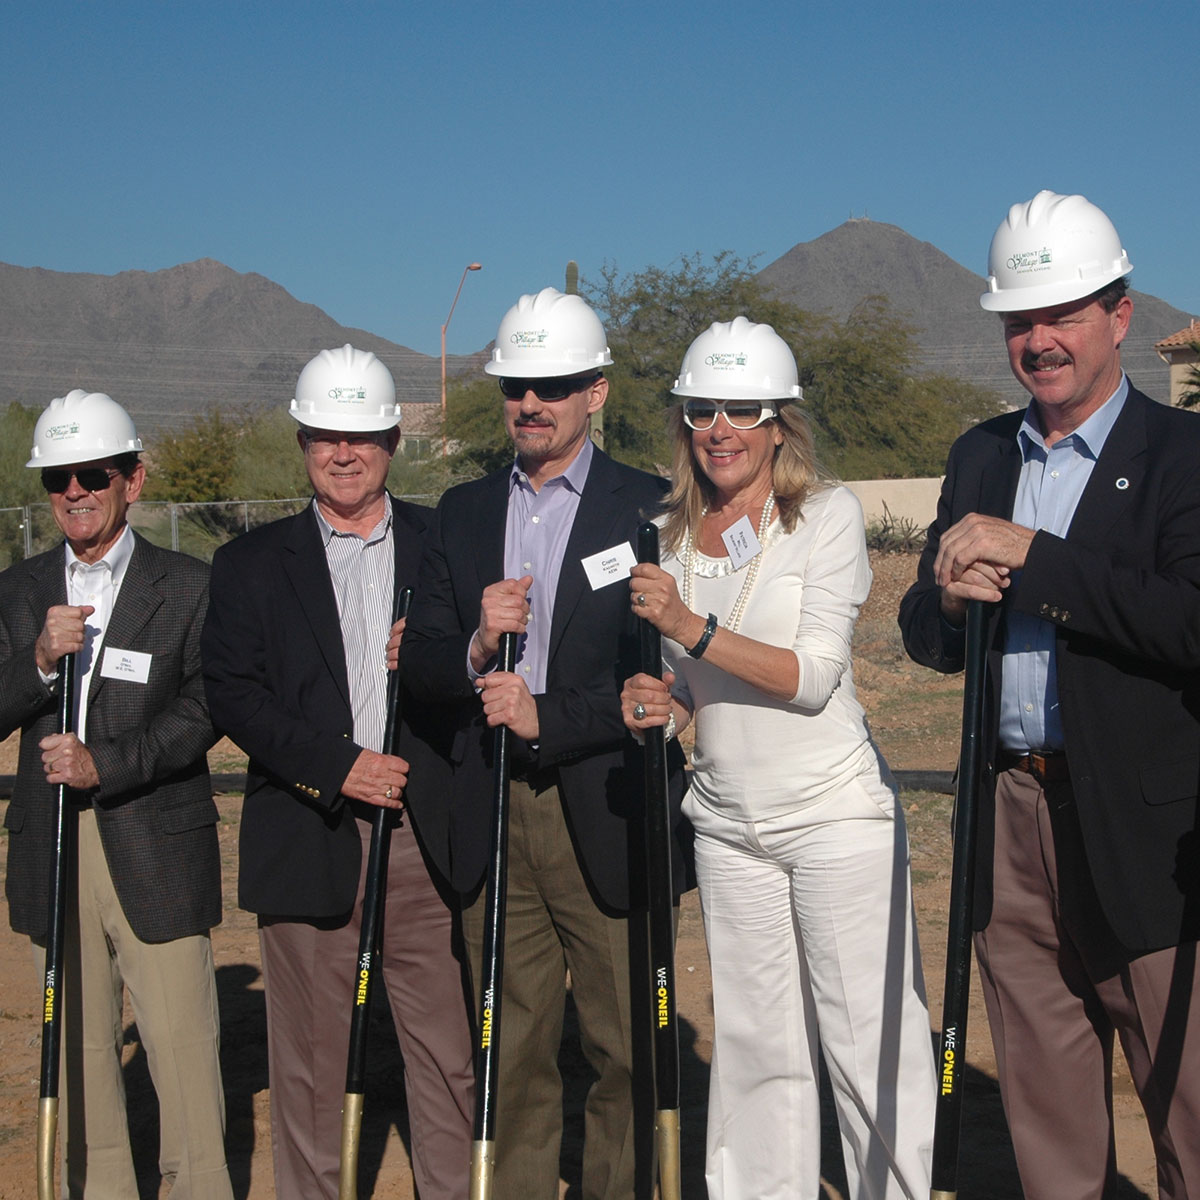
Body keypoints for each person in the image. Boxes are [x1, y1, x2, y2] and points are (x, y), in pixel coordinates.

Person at [899, 190, 1200, 1199]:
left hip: (1143, 827)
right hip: (1008, 815)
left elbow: (1190, 622)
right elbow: (925, 633)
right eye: (1020, 321)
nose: (1040, 341)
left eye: (1062, 314)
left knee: (1189, 1108)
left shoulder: (1184, 456)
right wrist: (948, 600)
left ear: (1119, 314)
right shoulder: (981, 455)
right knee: (1047, 1118)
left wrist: (1039, 560)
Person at [622, 317, 936, 1199]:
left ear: (778, 424)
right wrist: (662, 704)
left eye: (743, 410)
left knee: (867, 1041)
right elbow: (697, 687)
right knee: (757, 1049)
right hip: (727, 824)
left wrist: (689, 628)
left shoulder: (825, 516)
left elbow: (811, 678)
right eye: (702, 410)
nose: (720, 429)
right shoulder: (666, 532)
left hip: (834, 816)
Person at [399, 287, 690, 1200]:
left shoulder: (651, 508)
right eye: (515, 386)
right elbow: (421, 665)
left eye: (553, 386)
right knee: (512, 1050)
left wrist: (550, 716)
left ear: (594, 392)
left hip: (607, 806)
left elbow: (662, 685)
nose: (530, 403)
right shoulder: (459, 512)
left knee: (626, 1049)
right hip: (492, 809)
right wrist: (477, 645)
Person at [200, 344, 473, 1200]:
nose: (343, 453)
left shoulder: (445, 546)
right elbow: (233, 694)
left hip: (425, 837)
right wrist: (339, 767)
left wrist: (440, 659)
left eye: (360, 436)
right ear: (302, 444)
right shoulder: (249, 564)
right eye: (325, 436)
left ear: (393, 441)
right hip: (308, 829)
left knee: (447, 1056)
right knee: (312, 1066)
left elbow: (487, 669)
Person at [0, 390, 232, 1199]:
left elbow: (208, 709)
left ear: (132, 480)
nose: (74, 492)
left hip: (154, 838)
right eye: (57, 479)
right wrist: (37, 662)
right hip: (52, 844)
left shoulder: (191, 585)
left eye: (92, 475)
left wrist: (109, 764)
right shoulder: (19, 590)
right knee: (78, 1051)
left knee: (182, 1047)